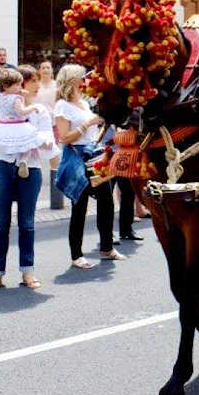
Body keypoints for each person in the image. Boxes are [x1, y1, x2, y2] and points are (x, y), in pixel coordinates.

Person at [0, 65, 56, 293]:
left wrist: (33, 139)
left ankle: (28, 270)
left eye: (28, 82)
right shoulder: (2, 102)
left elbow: (47, 137)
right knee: (0, 223)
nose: (32, 85)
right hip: (2, 165)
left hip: (29, 167)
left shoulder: (39, 110)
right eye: (30, 81)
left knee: (27, 223)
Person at [53, 64, 126, 269]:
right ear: (72, 81)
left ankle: (107, 247)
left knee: (107, 203)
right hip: (77, 157)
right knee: (80, 207)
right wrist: (89, 124)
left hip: (95, 156)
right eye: (81, 77)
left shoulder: (84, 104)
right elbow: (64, 138)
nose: (86, 80)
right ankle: (76, 255)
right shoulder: (62, 106)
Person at [0, 68, 45, 177]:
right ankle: (23, 161)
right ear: (6, 86)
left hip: (2, 125)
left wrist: (19, 91)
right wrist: (32, 108)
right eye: (17, 85)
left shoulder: (1, 96)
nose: (20, 88)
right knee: (28, 144)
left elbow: (12, 94)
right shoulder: (16, 99)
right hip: (17, 125)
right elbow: (21, 112)